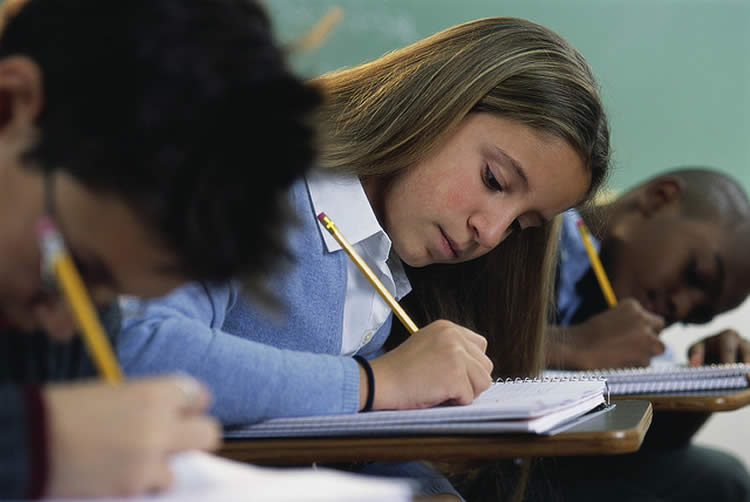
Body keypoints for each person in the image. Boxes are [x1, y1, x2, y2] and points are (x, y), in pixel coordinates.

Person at [118, 17, 610, 498]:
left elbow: (343, 436)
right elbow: (141, 350)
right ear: (435, 103)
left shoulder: (382, 259)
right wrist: (375, 382)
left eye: (521, 226)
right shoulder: (249, 172)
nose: (490, 231)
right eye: (494, 180)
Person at [0, 0, 319, 498]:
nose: (67, 325)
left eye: (112, 299)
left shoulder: (63, 315)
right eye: (71, 270)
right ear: (10, 105)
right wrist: (38, 443)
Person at [536, 167, 750, 502]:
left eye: (698, 316)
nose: (681, 308)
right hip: (483, 462)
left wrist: (706, 381)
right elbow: (444, 347)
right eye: (694, 275)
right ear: (658, 199)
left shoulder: (635, 329)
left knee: (720, 480)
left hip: (554, 463)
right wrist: (571, 345)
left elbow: (651, 448)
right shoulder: (537, 226)